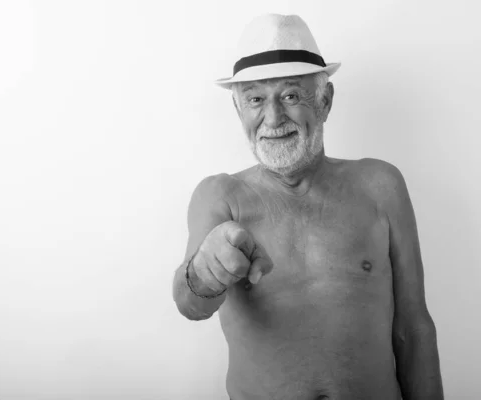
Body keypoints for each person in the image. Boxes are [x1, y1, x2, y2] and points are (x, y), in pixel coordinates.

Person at [172, 14, 443, 400]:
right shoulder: (219, 196)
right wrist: (204, 271)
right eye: (255, 99)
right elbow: (190, 305)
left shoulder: (381, 186)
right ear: (238, 111)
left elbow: (414, 329)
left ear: (325, 101)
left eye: (290, 95)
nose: (273, 118)